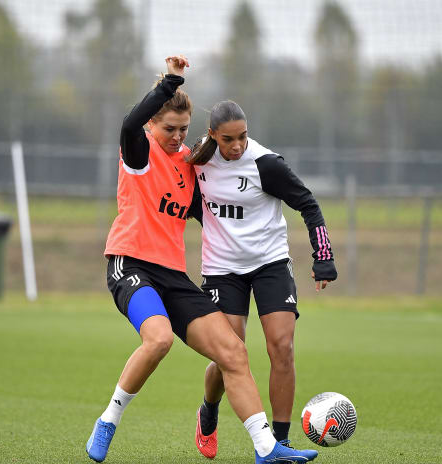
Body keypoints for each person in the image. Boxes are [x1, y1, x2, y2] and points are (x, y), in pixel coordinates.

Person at [86, 55, 317, 464]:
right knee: (157, 340)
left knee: (233, 352)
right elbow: (127, 124)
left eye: (183, 129)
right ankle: (108, 420)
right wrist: (170, 83)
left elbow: (215, 205)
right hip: (130, 265)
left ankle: (267, 448)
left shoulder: (190, 166)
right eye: (168, 129)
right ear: (150, 126)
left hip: (173, 275)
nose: (177, 137)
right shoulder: (139, 154)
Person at [185, 100, 337, 458]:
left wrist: (324, 257)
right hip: (222, 270)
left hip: (270, 264)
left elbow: (308, 203)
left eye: (242, 137)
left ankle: (279, 443)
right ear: (212, 136)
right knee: (230, 352)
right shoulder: (198, 161)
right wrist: (213, 227)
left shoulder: (266, 164)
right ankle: (208, 410)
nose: (236, 145)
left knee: (281, 348)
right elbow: (187, 199)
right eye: (228, 139)